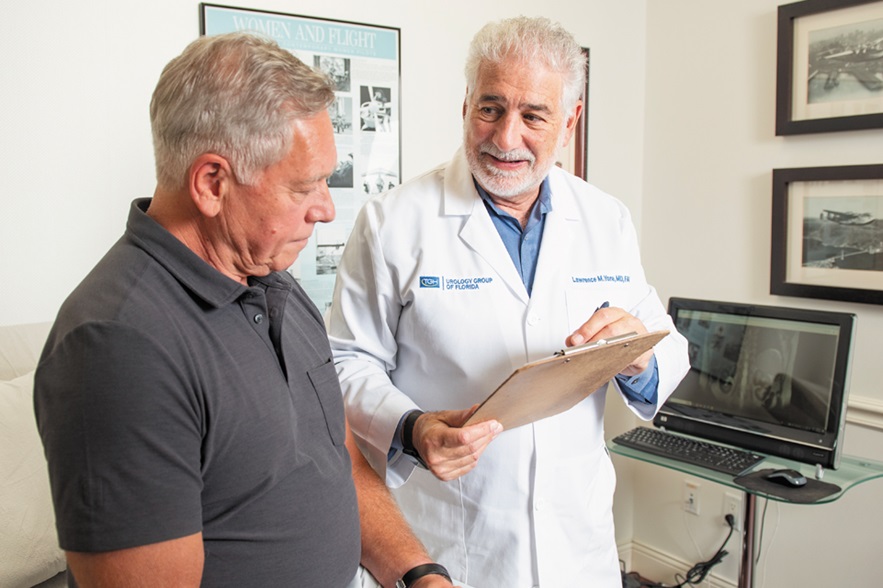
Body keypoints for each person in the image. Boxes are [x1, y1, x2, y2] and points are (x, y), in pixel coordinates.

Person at [34, 32, 455, 588]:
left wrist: (418, 572)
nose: (326, 209)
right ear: (212, 183)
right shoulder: (118, 345)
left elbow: (339, 460)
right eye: (305, 188)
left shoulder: (273, 282)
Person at [328, 16, 690, 587]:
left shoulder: (605, 219)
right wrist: (413, 427)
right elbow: (344, 362)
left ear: (570, 122)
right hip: (454, 546)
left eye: (533, 115)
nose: (505, 138)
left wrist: (638, 357)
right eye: (491, 108)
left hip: (579, 549)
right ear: (466, 103)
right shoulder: (393, 221)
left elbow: (663, 346)